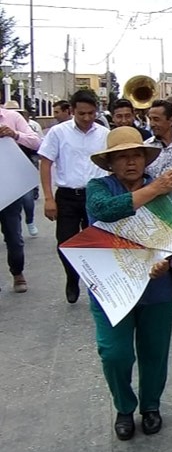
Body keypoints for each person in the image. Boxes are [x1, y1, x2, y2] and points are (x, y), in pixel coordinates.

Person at [85, 127, 172, 440]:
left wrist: (166, 260)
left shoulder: (167, 186)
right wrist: (154, 189)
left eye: (136, 154)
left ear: (145, 158)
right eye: (122, 157)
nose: (131, 162)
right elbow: (106, 211)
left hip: (157, 287)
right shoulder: (98, 187)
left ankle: (151, 406)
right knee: (114, 353)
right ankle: (124, 407)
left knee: (155, 352)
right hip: (110, 286)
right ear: (110, 163)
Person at [39, 90, 110, 304]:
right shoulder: (58, 133)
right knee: (65, 241)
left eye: (91, 113)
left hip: (96, 193)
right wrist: (48, 198)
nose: (87, 118)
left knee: (98, 242)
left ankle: (98, 283)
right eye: (82, 114)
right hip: (68, 195)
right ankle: (72, 276)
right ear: (72, 111)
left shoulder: (104, 134)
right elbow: (45, 163)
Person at [0, 100, 41, 293]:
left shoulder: (13, 117)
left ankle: (18, 273)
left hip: (9, 186)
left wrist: (14, 134)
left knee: (13, 236)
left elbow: (36, 142)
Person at [5, 100, 40, 237]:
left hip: (20, 169)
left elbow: (37, 142)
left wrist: (15, 134)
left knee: (27, 199)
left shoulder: (16, 120)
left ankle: (29, 222)